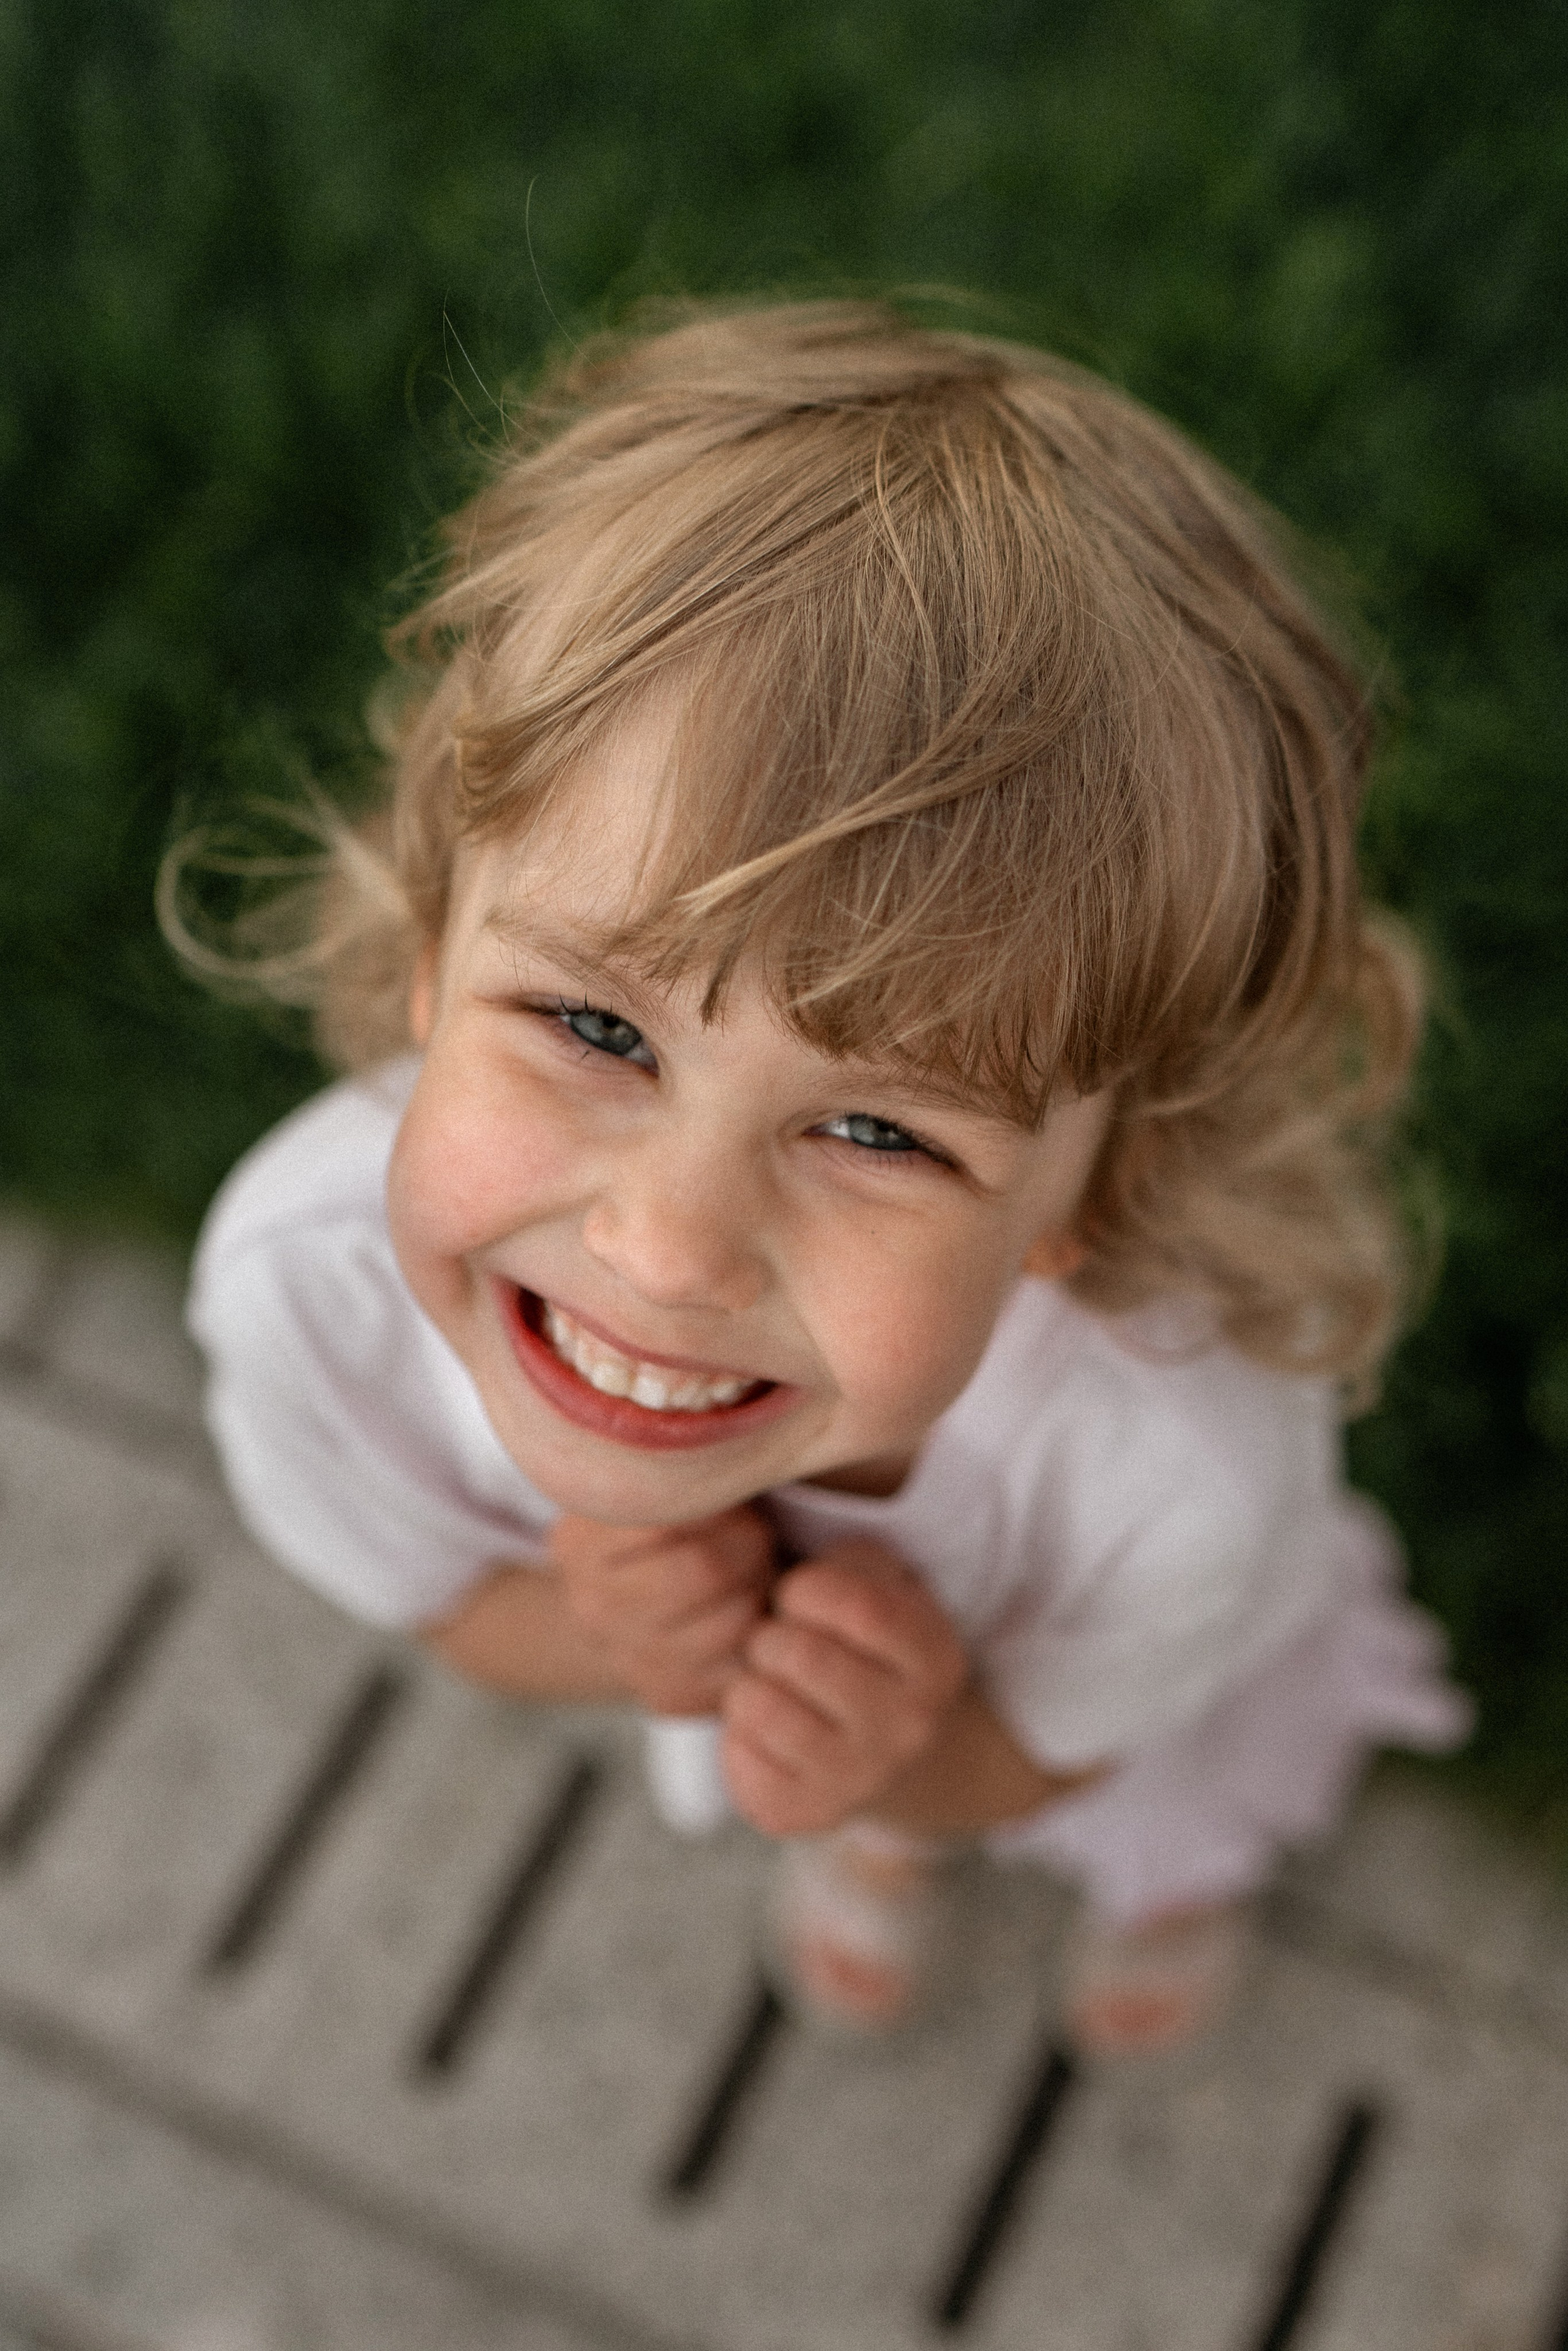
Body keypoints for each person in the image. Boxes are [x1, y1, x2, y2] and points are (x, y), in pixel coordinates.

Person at [180, 301, 1469, 2051]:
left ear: (1096, 1190)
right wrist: (635, 1646)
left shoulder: (1172, 1477)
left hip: (1089, 1717)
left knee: (1150, 1790)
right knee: (833, 1791)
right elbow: (440, 1592)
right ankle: (865, 1839)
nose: (669, 1246)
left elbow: (1054, 1734)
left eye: (879, 1130)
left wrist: (922, 1759)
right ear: (431, 943)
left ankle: (1163, 1879)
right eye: (591, 1025)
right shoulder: (307, 1288)